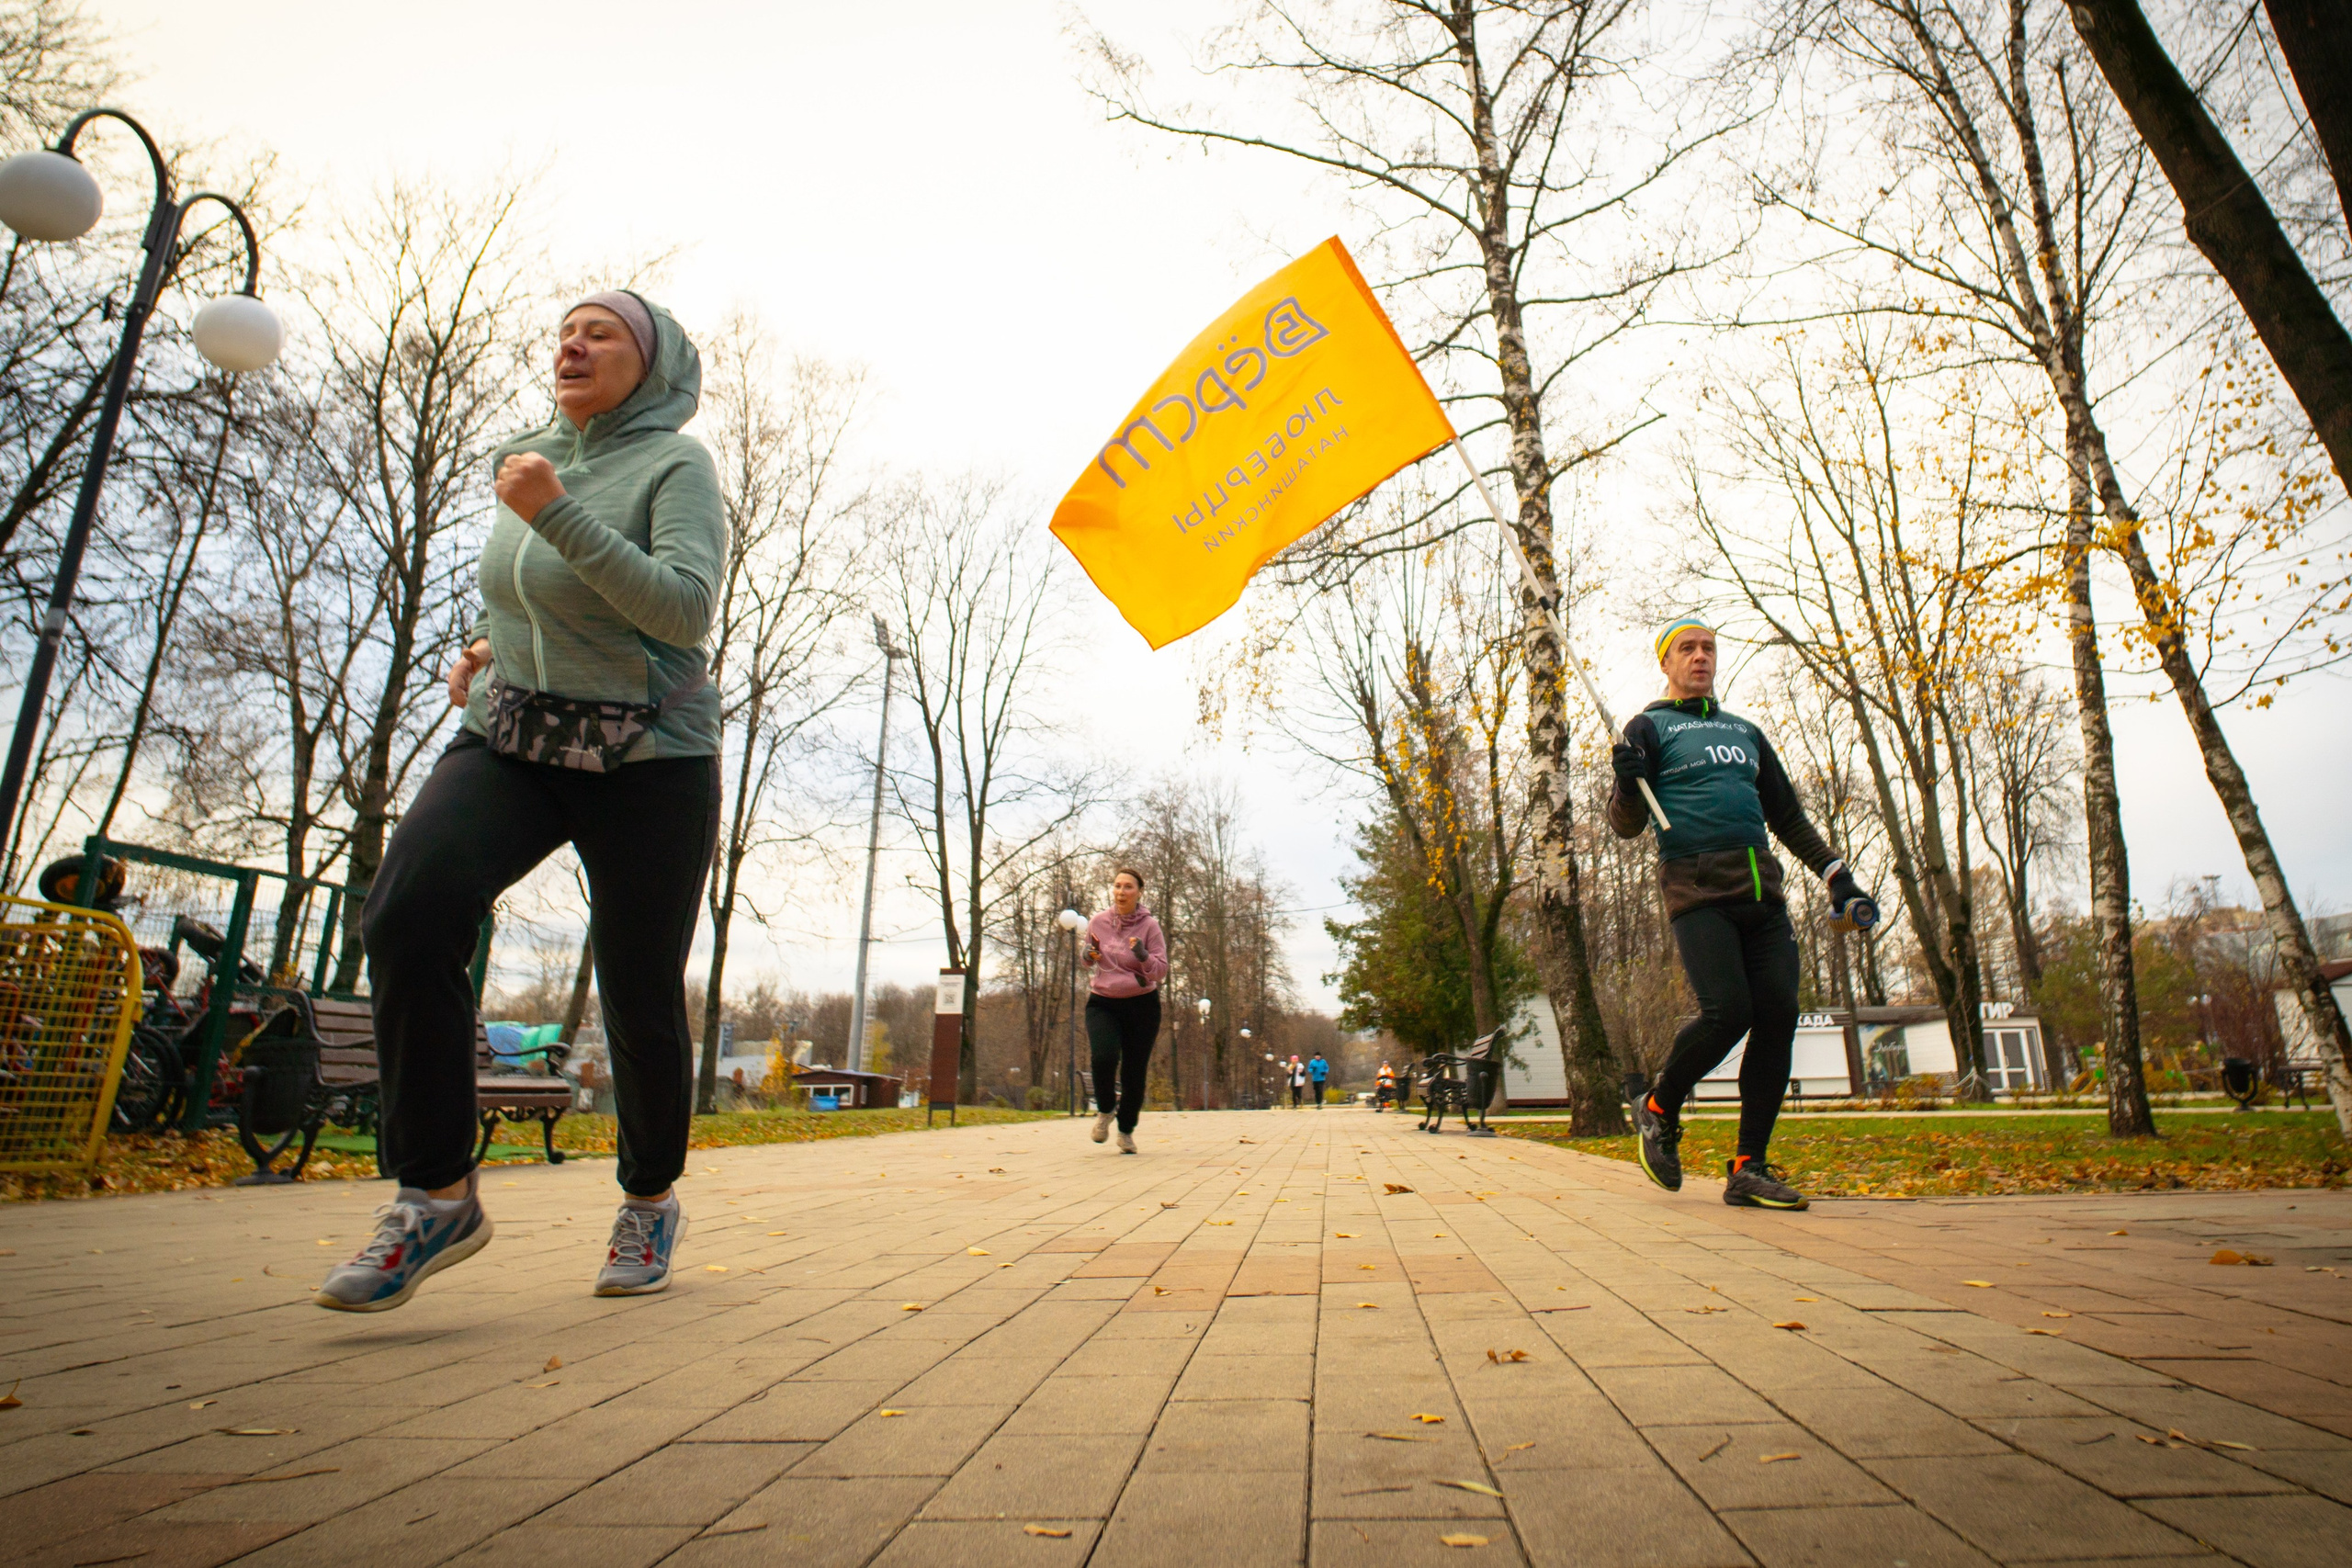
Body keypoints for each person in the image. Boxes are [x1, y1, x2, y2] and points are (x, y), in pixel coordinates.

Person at [317, 291, 724, 1312]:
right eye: (567, 332)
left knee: (636, 984)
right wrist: (489, 643)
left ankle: (648, 1199)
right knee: (407, 911)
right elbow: (535, 591)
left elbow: (681, 608)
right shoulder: (526, 458)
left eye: (602, 334)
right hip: (516, 733)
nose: (573, 345)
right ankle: (436, 1193)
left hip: (649, 754)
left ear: (651, 364)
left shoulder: (675, 465)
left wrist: (554, 512)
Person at [1609, 617, 1877, 1212]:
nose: (1699, 656)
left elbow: (1789, 817)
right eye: (1686, 648)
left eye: (1708, 647)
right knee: (1728, 1011)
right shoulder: (1649, 727)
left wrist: (1837, 876)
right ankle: (1658, 1106)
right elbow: (1626, 825)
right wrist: (1627, 786)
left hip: (1764, 896)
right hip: (1698, 891)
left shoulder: (1745, 732)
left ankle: (1747, 1167)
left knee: (1778, 1013)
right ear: (1666, 662)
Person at [1080, 867, 1169, 1154]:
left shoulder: (1150, 927)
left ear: (1139, 892)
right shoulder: (1098, 922)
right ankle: (1106, 1110)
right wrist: (1087, 954)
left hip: (1141, 1005)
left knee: (1134, 1071)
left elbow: (1161, 970)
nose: (1121, 892)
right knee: (1103, 1056)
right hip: (1103, 1001)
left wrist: (1143, 955)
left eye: (1128, 887)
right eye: (1117, 886)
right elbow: (1088, 959)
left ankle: (1126, 1131)